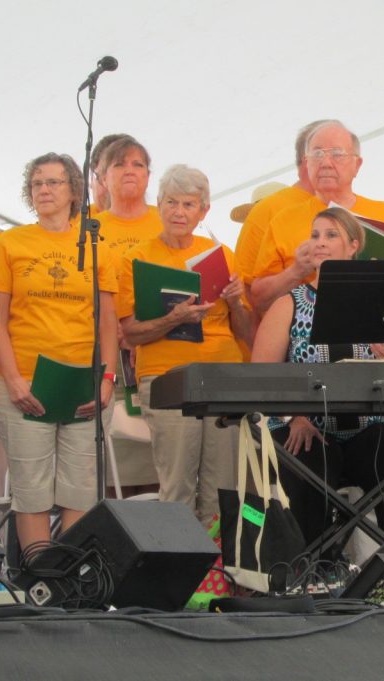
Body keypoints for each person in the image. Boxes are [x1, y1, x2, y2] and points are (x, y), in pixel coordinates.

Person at [251, 207, 384, 547]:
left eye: (331, 235)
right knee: (308, 459)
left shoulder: (377, 306)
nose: (320, 243)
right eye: (314, 235)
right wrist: (294, 416)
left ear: (354, 246)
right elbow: (262, 377)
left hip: (362, 426)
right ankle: (309, 568)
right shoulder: (290, 304)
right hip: (303, 425)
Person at [0, 152, 119, 554]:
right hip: (26, 380)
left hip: (82, 383)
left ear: (74, 190)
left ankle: (65, 574)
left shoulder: (97, 246)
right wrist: (12, 380)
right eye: (36, 183)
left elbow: (108, 322)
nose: (43, 189)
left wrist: (107, 381)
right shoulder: (11, 243)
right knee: (32, 489)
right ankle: (39, 576)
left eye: (53, 182)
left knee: (80, 489)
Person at [118, 165, 255, 524]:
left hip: (222, 374)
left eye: (189, 204)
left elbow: (245, 331)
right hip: (167, 376)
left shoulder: (222, 255)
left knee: (222, 485)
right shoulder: (137, 258)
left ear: (203, 211)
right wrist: (174, 319)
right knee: (177, 481)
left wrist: (237, 301)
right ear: (158, 205)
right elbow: (129, 333)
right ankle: (179, 572)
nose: (179, 212)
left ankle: (217, 576)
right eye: (171, 202)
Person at [249, 120, 384, 314]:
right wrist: (296, 271)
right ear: (307, 163)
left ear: (357, 164)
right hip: (307, 332)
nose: (326, 163)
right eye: (317, 154)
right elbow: (258, 300)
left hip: (376, 331)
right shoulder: (283, 220)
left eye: (337, 154)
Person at [94, 136, 163, 496]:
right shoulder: (89, 227)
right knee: (113, 458)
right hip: (109, 357)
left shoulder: (165, 221)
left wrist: (142, 332)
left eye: (138, 164)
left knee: (159, 456)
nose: (129, 171)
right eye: (119, 165)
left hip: (155, 352)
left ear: (150, 176)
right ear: (102, 177)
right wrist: (119, 331)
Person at [233, 119, 327, 301]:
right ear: (305, 158)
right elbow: (246, 289)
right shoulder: (266, 210)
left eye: (341, 153)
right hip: (287, 324)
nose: (332, 161)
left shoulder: (350, 209)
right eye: (324, 152)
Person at [89, 133, 132, 215]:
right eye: (104, 178)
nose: (112, 188)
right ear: (90, 179)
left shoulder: (160, 222)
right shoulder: (76, 224)